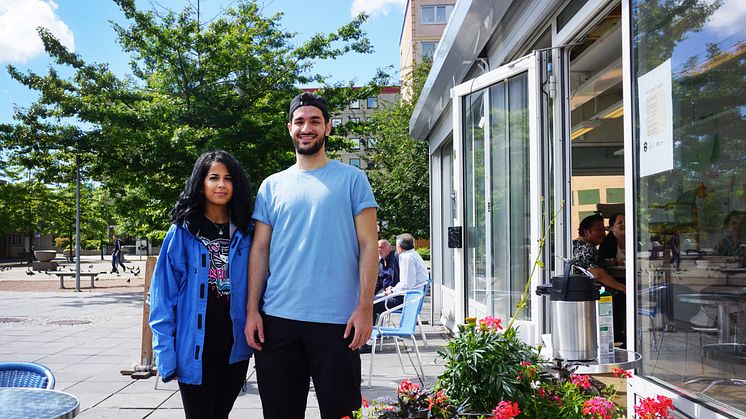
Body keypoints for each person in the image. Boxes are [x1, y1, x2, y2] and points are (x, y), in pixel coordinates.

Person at [245, 92, 378, 419]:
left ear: (328, 127)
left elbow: (369, 246)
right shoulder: (271, 186)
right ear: (289, 128)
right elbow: (259, 250)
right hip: (278, 321)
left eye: (315, 121)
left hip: (338, 323)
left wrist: (364, 308)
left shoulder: (353, 180)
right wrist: (252, 310)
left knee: (342, 414)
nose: (307, 128)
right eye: (300, 121)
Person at [149, 150, 253, 419]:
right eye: (214, 177)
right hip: (194, 348)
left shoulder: (246, 232)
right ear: (201, 182)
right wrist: (165, 354)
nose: (221, 185)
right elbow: (162, 298)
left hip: (234, 348)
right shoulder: (182, 232)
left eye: (228, 178)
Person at [572, 214, 626, 294]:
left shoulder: (579, 245)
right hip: (599, 296)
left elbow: (592, 263)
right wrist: (622, 288)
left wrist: (615, 261)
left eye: (604, 229)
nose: (603, 234)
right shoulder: (587, 248)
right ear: (586, 232)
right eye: (599, 230)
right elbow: (597, 274)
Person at [597, 213, 627, 346]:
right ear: (612, 227)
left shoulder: (633, 240)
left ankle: (627, 332)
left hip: (627, 277)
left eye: (626, 221)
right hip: (613, 281)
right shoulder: (608, 241)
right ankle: (621, 333)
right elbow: (600, 261)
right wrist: (616, 261)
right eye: (620, 222)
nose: (624, 225)